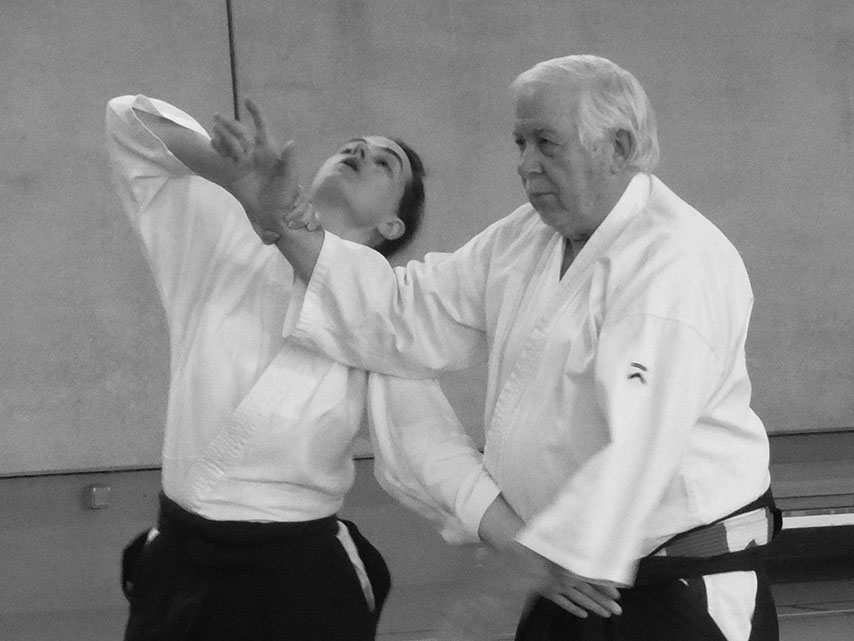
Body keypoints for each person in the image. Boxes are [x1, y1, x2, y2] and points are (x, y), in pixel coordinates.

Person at [215, 55, 782, 641]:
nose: (525, 164)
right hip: (564, 575)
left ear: (617, 147)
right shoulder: (528, 236)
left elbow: (638, 450)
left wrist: (499, 593)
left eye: (546, 143)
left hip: (672, 580)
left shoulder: (672, 263)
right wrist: (286, 224)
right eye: (520, 143)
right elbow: (406, 314)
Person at [105, 94, 569, 641]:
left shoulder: (387, 312)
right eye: (355, 146)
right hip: (181, 559)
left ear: (393, 224)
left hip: (297, 570)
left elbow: (428, 446)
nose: (361, 153)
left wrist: (527, 546)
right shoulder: (222, 235)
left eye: (384, 163)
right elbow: (128, 122)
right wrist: (234, 178)